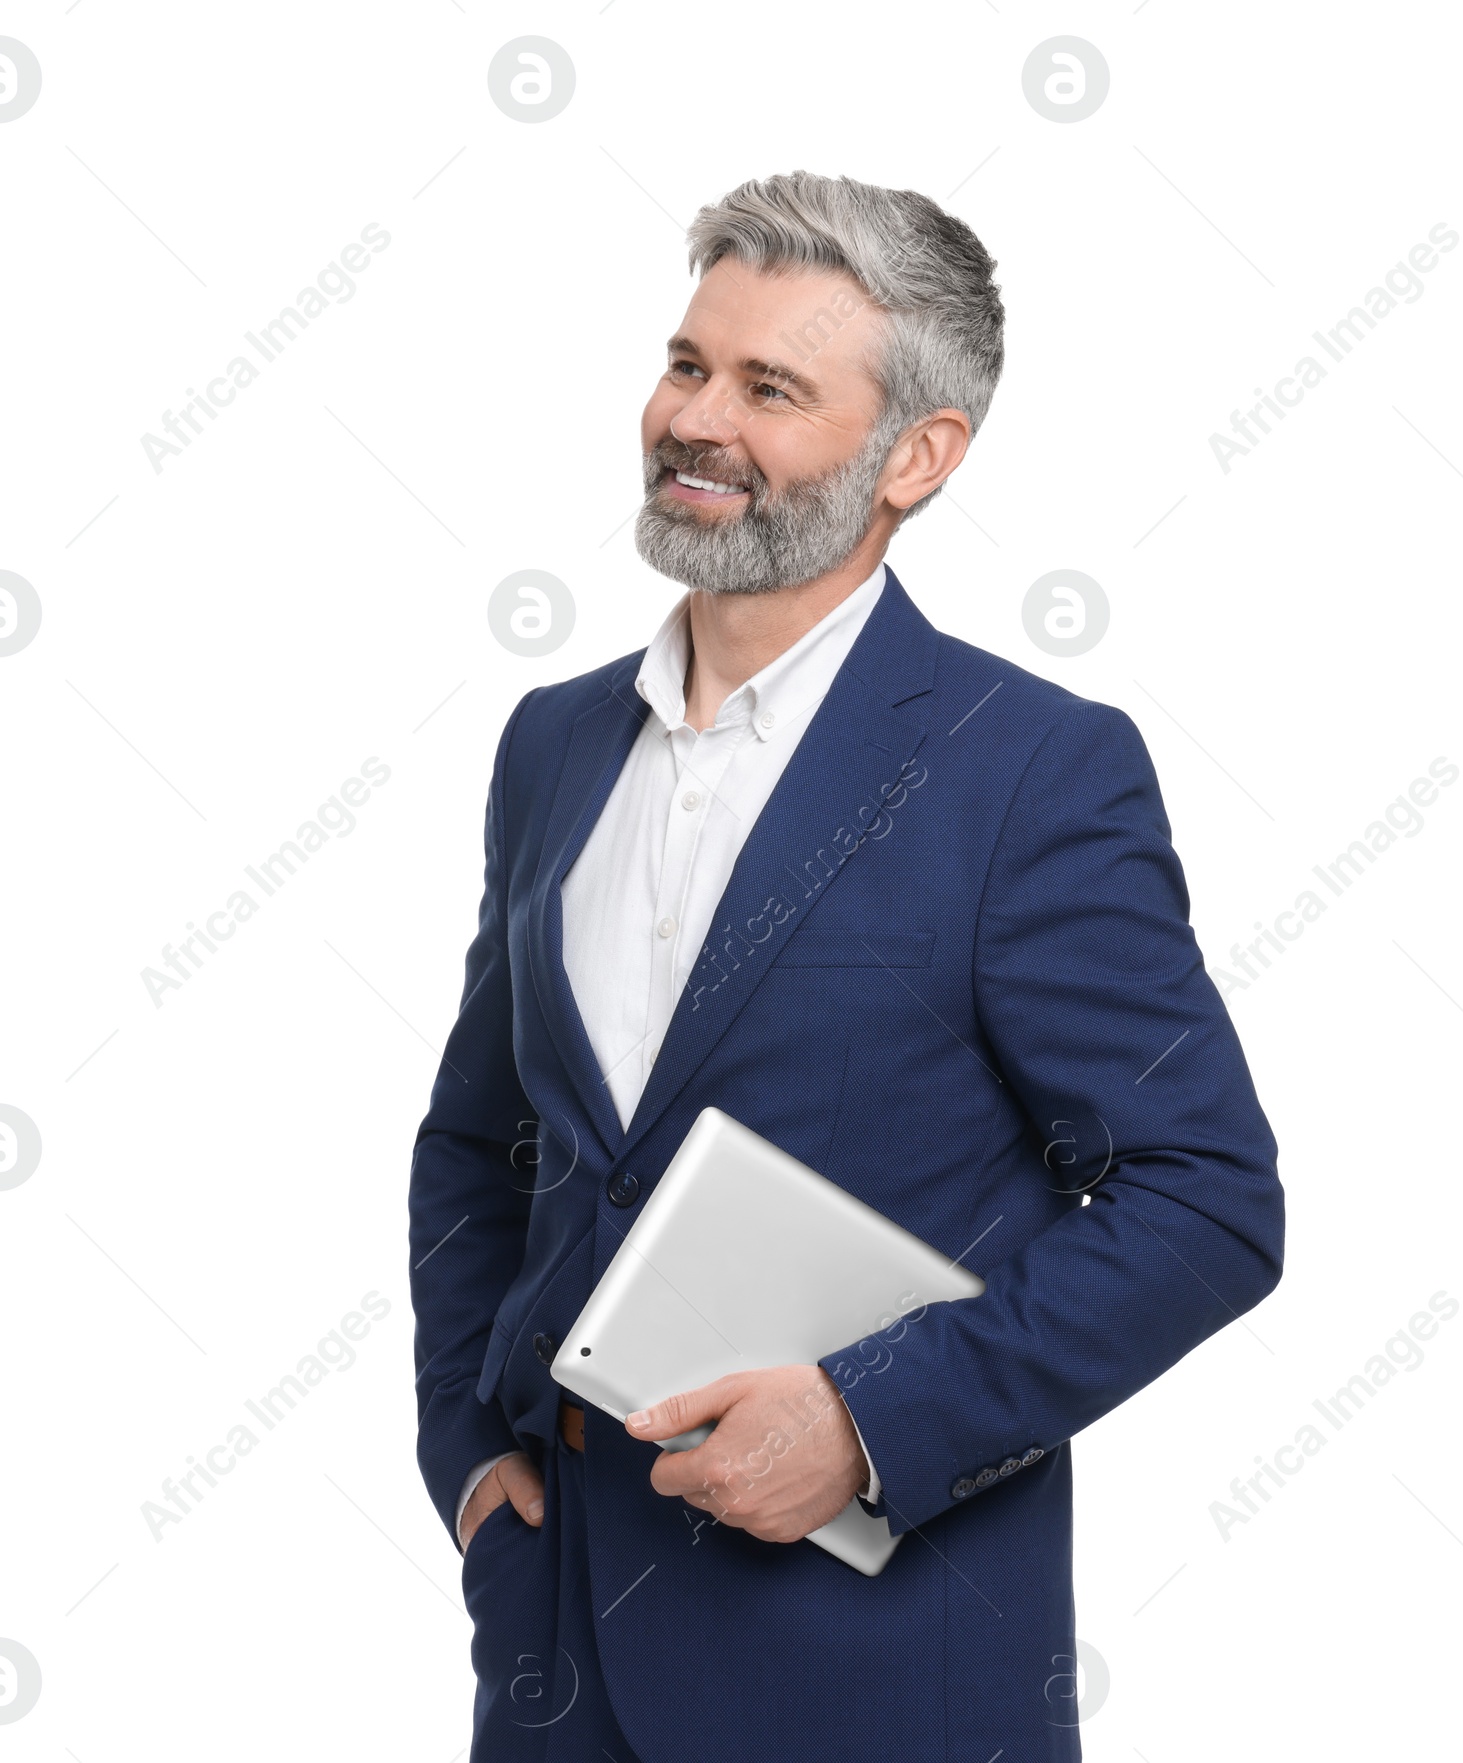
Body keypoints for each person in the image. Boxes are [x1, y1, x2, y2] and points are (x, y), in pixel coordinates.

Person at [408, 168, 1285, 1763]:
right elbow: (485, 1141)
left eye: (771, 388)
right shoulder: (553, 746)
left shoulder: (1030, 771)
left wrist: (874, 1422)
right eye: (689, 364)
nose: (699, 422)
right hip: (552, 1661)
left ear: (919, 458)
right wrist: (467, 1457)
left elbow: (1204, 1201)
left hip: (875, 1676)